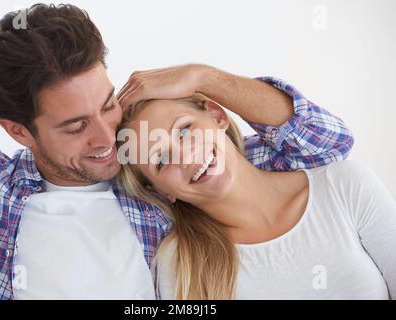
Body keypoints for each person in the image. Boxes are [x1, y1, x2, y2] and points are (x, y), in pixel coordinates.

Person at [0, 4, 354, 299]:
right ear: (19, 131)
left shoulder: (164, 167)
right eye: (76, 126)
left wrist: (206, 77)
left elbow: (326, 144)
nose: (108, 136)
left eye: (108, 104)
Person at [118, 94, 396, 300]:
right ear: (162, 191)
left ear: (216, 116)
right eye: (162, 160)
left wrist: (202, 75)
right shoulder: (180, 262)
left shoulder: (344, 185)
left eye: (185, 130)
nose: (185, 155)